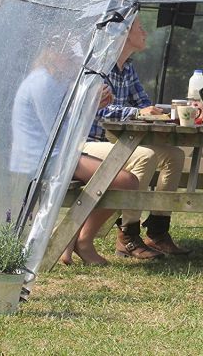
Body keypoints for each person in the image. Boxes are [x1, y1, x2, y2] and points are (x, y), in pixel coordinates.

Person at [10, 41, 139, 267]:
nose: (77, 62)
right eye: (71, 57)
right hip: (43, 159)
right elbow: (59, 131)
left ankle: (71, 241)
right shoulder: (43, 82)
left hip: (56, 155)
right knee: (126, 182)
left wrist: (93, 106)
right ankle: (77, 240)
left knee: (119, 181)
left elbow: (67, 125)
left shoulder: (53, 80)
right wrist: (92, 105)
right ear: (53, 55)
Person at [78, 17, 190, 261]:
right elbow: (95, 110)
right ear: (125, 33)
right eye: (140, 27)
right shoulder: (98, 67)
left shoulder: (127, 67)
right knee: (145, 156)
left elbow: (144, 106)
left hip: (114, 143)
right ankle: (128, 235)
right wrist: (137, 112)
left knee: (174, 155)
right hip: (86, 143)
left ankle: (158, 231)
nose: (146, 32)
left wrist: (171, 112)